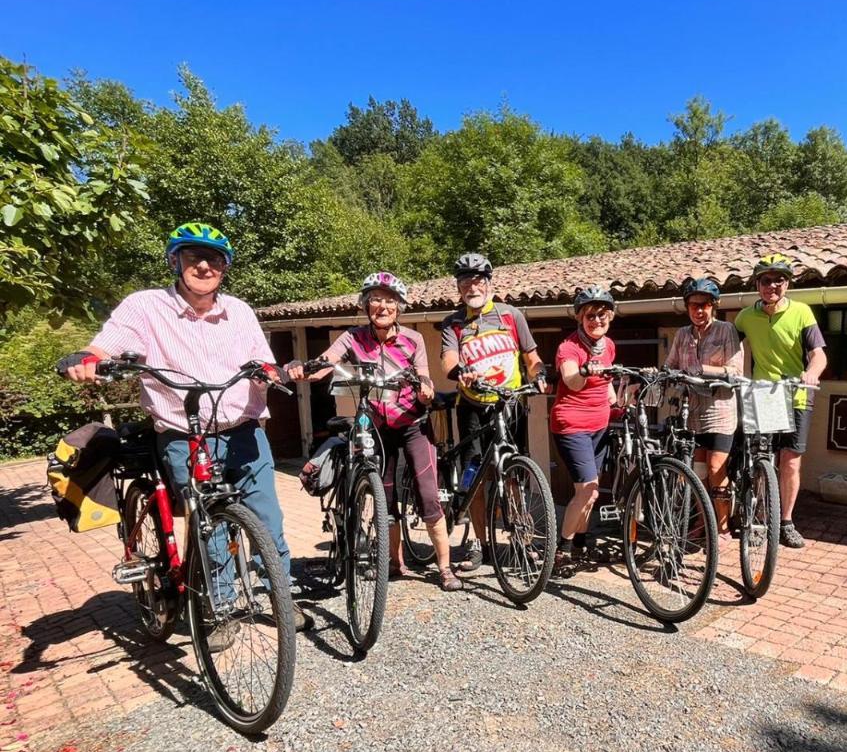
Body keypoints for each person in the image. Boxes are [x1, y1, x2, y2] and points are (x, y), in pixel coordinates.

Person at [58, 221, 302, 630]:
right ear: (175, 261)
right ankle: (219, 609)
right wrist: (85, 358)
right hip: (183, 434)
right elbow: (108, 343)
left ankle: (281, 596)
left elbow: (262, 362)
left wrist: (278, 373)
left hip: (244, 432)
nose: (204, 266)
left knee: (267, 521)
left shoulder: (239, 311)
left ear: (225, 268)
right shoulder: (146, 306)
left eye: (215, 260)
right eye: (193, 257)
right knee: (206, 523)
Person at [287, 272, 462, 592]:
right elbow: (326, 363)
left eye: (389, 300)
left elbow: (424, 375)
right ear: (366, 305)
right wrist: (303, 368)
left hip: (412, 425)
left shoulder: (413, 339)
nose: (382, 306)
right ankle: (396, 563)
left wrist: (425, 388)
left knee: (427, 495)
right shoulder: (353, 337)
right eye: (375, 300)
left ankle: (445, 567)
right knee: (387, 495)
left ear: (399, 307)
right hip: (377, 429)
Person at [439, 252, 549, 573]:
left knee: (512, 473)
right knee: (475, 476)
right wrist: (459, 370)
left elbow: (531, 357)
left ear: (489, 282)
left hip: (509, 406)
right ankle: (480, 544)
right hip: (472, 407)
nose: (472, 286)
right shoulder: (454, 323)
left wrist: (539, 374)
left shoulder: (511, 316)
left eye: (477, 280)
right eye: (465, 282)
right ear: (458, 288)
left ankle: (522, 539)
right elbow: (447, 359)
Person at [734, 253, 827, 549]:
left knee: (790, 460)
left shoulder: (802, 312)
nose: (771, 285)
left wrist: (812, 373)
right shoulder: (746, 316)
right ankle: (758, 518)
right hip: (763, 394)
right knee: (760, 458)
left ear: (787, 283)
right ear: (757, 284)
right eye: (765, 280)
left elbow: (818, 354)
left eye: (779, 280)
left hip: (796, 393)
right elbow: (728, 349)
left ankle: (785, 521)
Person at [664, 278, 744, 537]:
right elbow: (671, 365)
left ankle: (721, 527)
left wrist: (704, 370)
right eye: (693, 305)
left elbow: (736, 370)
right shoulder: (682, 335)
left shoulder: (726, 331)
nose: (699, 310)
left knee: (715, 469)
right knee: (697, 474)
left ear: (714, 306)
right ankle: (702, 523)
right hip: (693, 414)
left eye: (704, 305)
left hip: (720, 411)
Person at [550, 286, 618, 574]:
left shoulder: (609, 345)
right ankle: (562, 551)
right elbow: (572, 380)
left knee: (589, 493)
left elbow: (608, 379)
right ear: (580, 317)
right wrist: (585, 370)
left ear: (611, 316)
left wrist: (615, 396)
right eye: (590, 315)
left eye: (602, 315)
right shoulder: (569, 347)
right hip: (572, 424)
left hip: (599, 424)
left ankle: (580, 545)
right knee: (587, 490)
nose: (596, 320)